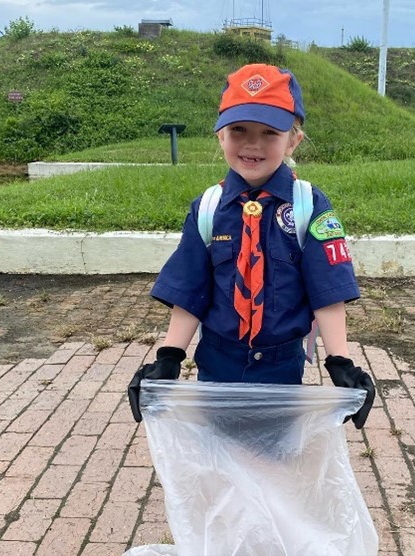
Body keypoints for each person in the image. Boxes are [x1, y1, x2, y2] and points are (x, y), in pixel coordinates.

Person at [129, 63, 374, 428]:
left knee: (275, 456)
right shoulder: (208, 208)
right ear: (220, 137)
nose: (252, 143)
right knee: (220, 456)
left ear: (293, 140)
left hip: (281, 366)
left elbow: (328, 291)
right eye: (238, 129)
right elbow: (190, 290)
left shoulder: (309, 206)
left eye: (270, 132)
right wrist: (169, 357)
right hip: (217, 362)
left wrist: (340, 361)